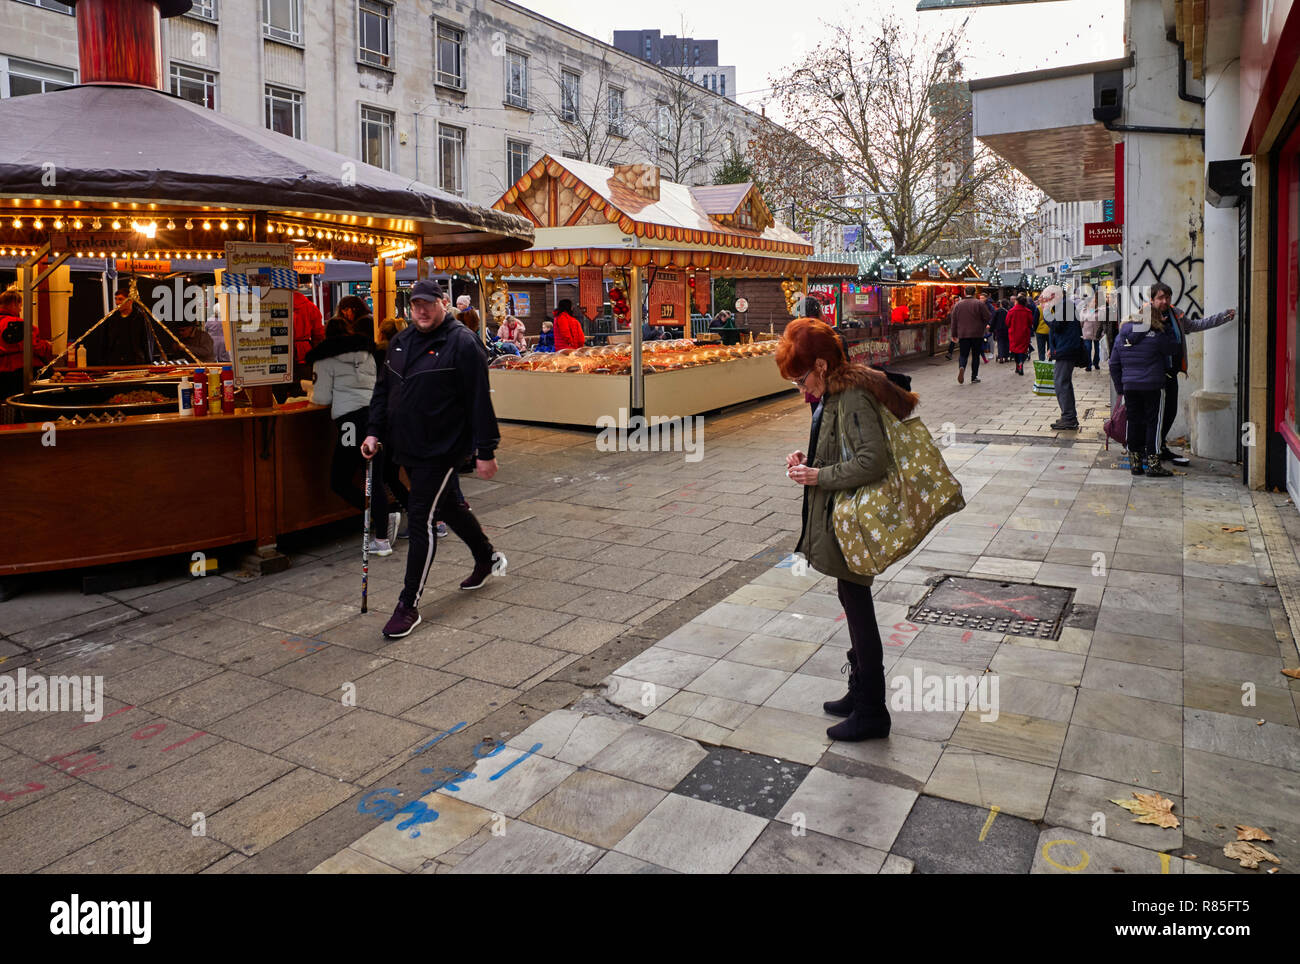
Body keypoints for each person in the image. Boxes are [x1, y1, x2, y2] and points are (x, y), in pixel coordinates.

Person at [778, 317, 919, 741]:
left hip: (851, 517)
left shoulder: (852, 394)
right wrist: (808, 459)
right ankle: (859, 691)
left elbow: (870, 460)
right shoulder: (835, 392)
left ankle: (872, 709)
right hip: (839, 514)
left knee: (858, 608)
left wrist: (818, 477)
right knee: (851, 598)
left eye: (801, 378)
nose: (801, 389)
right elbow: (840, 447)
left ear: (821, 365)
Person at [362, 279, 505, 639]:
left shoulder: (462, 343)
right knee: (451, 507)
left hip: (443, 447)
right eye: (415, 305)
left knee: (423, 516)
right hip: (405, 444)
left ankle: (408, 605)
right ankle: (486, 557)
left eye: (428, 304)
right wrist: (373, 431)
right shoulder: (400, 342)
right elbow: (384, 391)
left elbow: (479, 400)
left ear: (443, 303)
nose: (421, 311)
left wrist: (486, 451)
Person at [308, 317, 395, 554]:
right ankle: (382, 534)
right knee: (374, 477)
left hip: (349, 423)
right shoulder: (366, 354)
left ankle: (378, 523)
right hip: (375, 419)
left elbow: (322, 399)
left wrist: (308, 391)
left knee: (339, 480)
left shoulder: (325, 360)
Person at [1148, 282, 1237, 466]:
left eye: (1167, 297)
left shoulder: (1176, 314)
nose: (1164, 301)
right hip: (1153, 373)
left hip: (1171, 373)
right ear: (1152, 299)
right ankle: (1151, 449)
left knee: (1170, 411)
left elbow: (1196, 325)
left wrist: (1224, 316)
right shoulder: (1145, 316)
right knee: (1154, 412)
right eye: (1160, 298)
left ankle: (1159, 445)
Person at [1110, 306, 1177, 477]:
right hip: (1153, 386)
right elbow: (1172, 350)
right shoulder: (1158, 335)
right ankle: (1154, 464)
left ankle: (1136, 464)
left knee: (1133, 422)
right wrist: (1167, 327)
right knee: (1154, 424)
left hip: (1130, 386)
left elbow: (1114, 364)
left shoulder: (1122, 335)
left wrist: (1120, 387)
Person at [1043, 285, 1084, 431]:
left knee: (1061, 383)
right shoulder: (1064, 306)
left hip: (1067, 350)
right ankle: (1068, 416)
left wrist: (1046, 311)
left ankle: (1069, 418)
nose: (1045, 301)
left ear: (1055, 296)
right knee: (1063, 382)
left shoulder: (1065, 306)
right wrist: (1052, 348)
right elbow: (1060, 330)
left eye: (1047, 298)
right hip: (1065, 348)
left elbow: (1057, 325)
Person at [0, 288, 52, 401]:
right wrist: (47, 345)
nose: (20, 309)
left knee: (6, 406)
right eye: (20, 305)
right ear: (14, 303)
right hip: (21, 374)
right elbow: (35, 347)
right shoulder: (21, 324)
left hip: (2, 375)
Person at [99, 284, 153, 365]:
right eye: (116, 299)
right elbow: (105, 341)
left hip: (135, 362)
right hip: (115, 362)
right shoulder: (112, 318)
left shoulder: (140, 318)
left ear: (130, 301)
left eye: (120, 299)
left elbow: (146, 341)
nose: (117, 302)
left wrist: (148, 361)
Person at [950, 286, 992, 385]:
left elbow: (954, 321)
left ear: (964, 292)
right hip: (977, 334)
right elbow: (988, 316)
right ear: (974, 293)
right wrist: (983, 324)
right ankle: (974, 376)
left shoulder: (958, 305)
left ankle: (962, 367)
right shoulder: (979, 304)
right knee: (975, 355)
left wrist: (954, 334)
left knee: (963, 354)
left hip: (963, 333)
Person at [292, 290, 326, 371]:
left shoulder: (275, 305)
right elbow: (319, 335)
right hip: (305, 353)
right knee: (304, 381)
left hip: (280, 352)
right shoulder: (311, 307)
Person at [1007, 295, 1034, 376]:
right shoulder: (1028, 311)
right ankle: (1021, 363)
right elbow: (1030, 323)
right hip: (1024, 334)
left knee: (1015, 350)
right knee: (1022, 350)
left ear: (1017, 301)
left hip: (1014, 334)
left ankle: (1017, 366)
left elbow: (1007, 322)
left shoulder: (1011, 311)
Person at [991, 298, 1010, 363]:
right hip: (1007, 329)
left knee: (1000, 343)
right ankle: (1007, 357)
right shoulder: (1009, 311)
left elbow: (993, 321)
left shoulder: (997, 311)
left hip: (999, 330)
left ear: (1001, 304)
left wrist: (991, 329)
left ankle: (1001, 357)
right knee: (1007, 343)